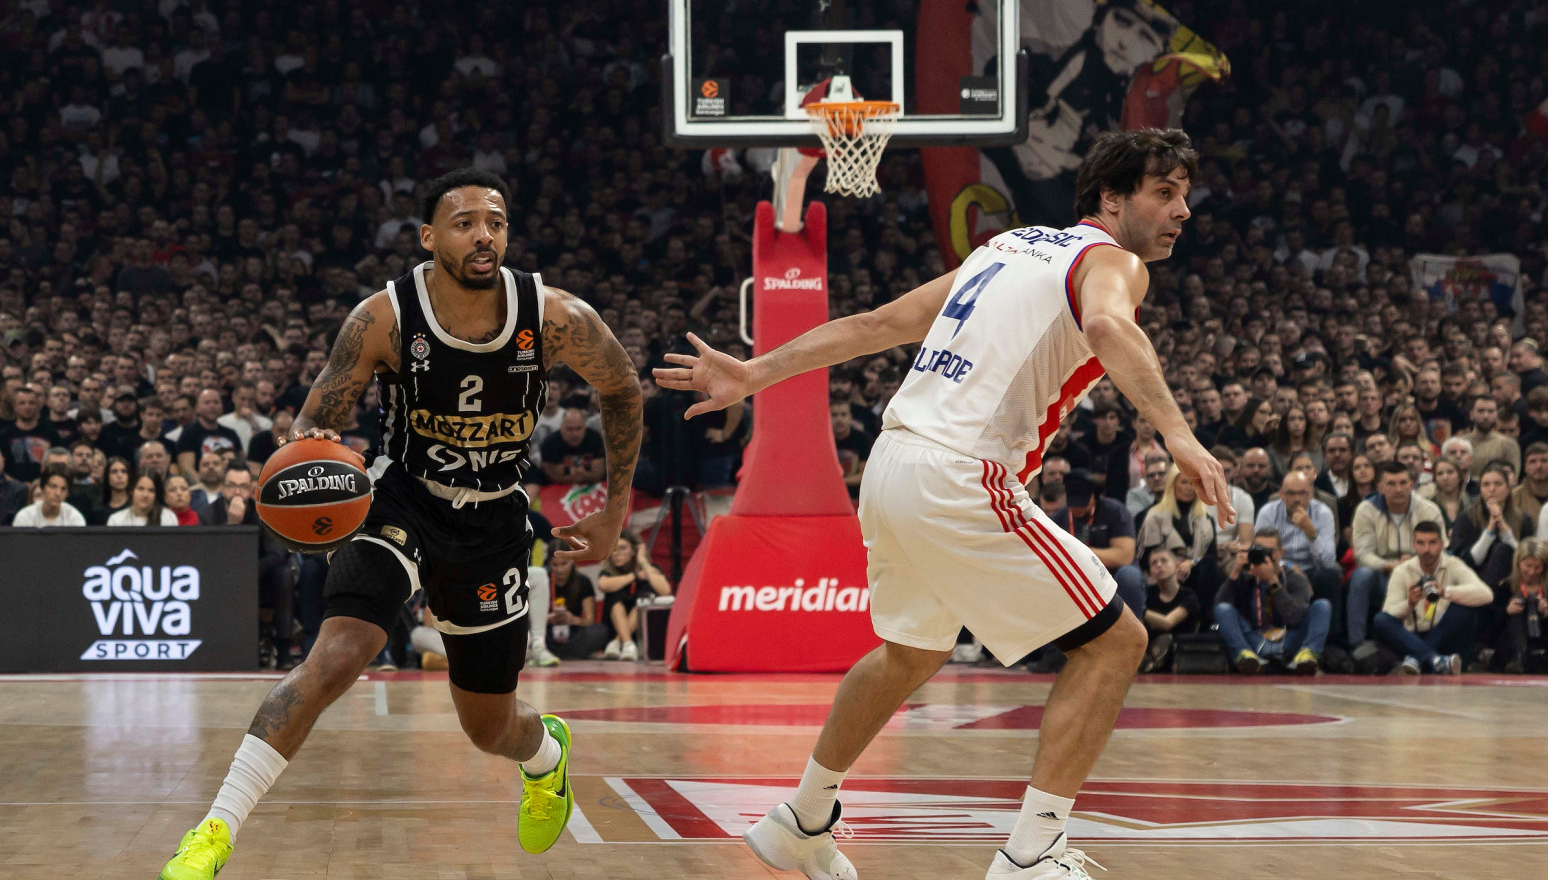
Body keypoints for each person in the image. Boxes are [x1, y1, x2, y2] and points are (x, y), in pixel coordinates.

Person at [656, 129, 1232, 880]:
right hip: (962, 474)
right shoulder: (1114, 262)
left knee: (911, 652)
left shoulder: (1008, 247)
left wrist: (757, 372)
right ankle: (1032, 855)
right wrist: (1180, 435)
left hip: (894, 464)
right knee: (1116, 641)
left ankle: (802, 820)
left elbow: (876, 326)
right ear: (1112, 199)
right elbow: (1106, 324)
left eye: (1185, 194)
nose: (1183, 210)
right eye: (1165, 193)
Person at [158, 169, 643, 879]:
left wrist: (613, 512)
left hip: (493, 523)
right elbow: (314, 421)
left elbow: (623, 389)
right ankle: (214, 829)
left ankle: (546, 757)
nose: (483, 235)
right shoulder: (383, 318)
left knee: (488, 728)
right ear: (428, 237)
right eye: (464, 223)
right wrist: (317, 458)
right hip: (401, 500)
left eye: (495, 222)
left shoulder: (554, 315)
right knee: (336, 656)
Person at [1347, 462, 1444, 652]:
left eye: (1403, 483)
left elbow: (1441, 550)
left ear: (1412, 485)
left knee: (1436, 579)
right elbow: (1362, 554)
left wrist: (1416, 564)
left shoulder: (1428, 510)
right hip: (1382, 574)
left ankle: (1426, 646)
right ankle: (1356, 645)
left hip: (1419, 574)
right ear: (1380, 487)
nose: (1398, 489)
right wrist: (1390, 566)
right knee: (1361, 575)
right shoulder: (1366, 510)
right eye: (1391, 484)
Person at [1370, 521, 1489, 675]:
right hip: (1412, 638)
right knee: (1380, 619)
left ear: (1441, 544)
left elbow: (1486, 594)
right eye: (1421, 543)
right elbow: (1388, 614)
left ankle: (1418, 659)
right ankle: (1435, 660)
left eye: (1432, 543)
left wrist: (1445, 592)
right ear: (1414, 545)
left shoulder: (1453, 564)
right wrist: (1409, 604)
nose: (1426, 549)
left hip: (1444, 637)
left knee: (1465, 609)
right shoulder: (1402, 571)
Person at [1214, 529, 1331, 674]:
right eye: (1260, 550)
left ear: (1281, 553)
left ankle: (1306, 657)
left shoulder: (1295, 579)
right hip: (1254, 639)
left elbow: (1295, 618)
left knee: (1322, 606)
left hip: (1288, 638)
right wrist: (1236, 571)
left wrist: (1272, 581)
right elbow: (1219, 609)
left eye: (1269, 551)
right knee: (1223, 609)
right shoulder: (1244, 577)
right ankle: (1245, 657)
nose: (1265, 555)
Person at [1447, 464, 1531, 591]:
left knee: (1503, 550)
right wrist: (1489, 530)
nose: (1492, 489)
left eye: (1498, 484)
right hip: (1475, 583)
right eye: (1486, 484)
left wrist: (1503, 527)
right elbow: (1466, 563)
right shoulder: (1467, 518)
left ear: (1508, 488)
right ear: (1480, 489)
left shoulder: (1523, 519)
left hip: (1513, 583)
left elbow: (1526, 561)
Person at [596, 532, 673, 660]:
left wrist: (643, 561)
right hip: (613, 628)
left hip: (640, 633)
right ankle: (627, 643)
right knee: (615, 596)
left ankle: (620, 642)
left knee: (644, 599)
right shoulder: (608, 572)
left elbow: (665, 590)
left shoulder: (649, 569)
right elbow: (603, 585)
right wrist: (635, 576)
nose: (616, 553)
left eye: (622, 548)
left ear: (633, 551)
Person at [1138, 547, 1200, 673]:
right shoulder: (1147, 594)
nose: (1159, 565)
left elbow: (1168, 623)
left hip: (1179, 653)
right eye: (1154, 563)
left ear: (1177, 566)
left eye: (1164, 561)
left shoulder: (1189, 596)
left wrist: (1138, 609)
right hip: (1150, 646)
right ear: (1151, 572)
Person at [544, 554, 610, 660]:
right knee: (527, 632)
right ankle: (570, 653)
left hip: (574, 634)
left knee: (601, 630)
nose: (560, 569)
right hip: (546, 633)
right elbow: (528, 618)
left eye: (564, 564)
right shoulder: (542, 581)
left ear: (572, 561)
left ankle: (555, 653)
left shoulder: (582, 581)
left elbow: (590, 621)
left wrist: (573, 620)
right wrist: (547, 619)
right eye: (555, 565)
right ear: (549, 564)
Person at [1499, 538, 1548, 673]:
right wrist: (1506, 611)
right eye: (1528, 566)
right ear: (1518, 563)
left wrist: (1546, 613)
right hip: (1511, 649)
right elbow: (1492, 628)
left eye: (1537, 567)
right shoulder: (1505, 587)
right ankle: (1519, 656)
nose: (1532, 572)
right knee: (1517, 611)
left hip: (1542, 647)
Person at [539, 407, 606, 484]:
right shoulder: (550, 443)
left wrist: (585, 475)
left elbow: (599, 472)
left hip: (592, 484)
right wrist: (574, 477)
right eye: (569, 429)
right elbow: (551, 475)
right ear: (561, 428)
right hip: (559, 486)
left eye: (579, 428)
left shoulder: (594, 438)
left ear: (585, 427)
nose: (575, 434)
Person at [9, 467, 87, 527]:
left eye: (63, 489)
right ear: (42, 488)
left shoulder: (74, 518)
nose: (58, 493)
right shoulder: (25, 517)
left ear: (67, 493)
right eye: (53, 487)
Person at [107, 470, 178, 526]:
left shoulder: (168, 517)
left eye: (151, 490)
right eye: (141, 489)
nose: (145, 495)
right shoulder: (116, 520)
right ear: (132, 491)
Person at [91, 457, 134, 524]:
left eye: (124, 471)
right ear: (107, 477)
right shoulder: (99, 513)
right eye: (114, 472)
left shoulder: (135, 507)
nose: (120, 476)